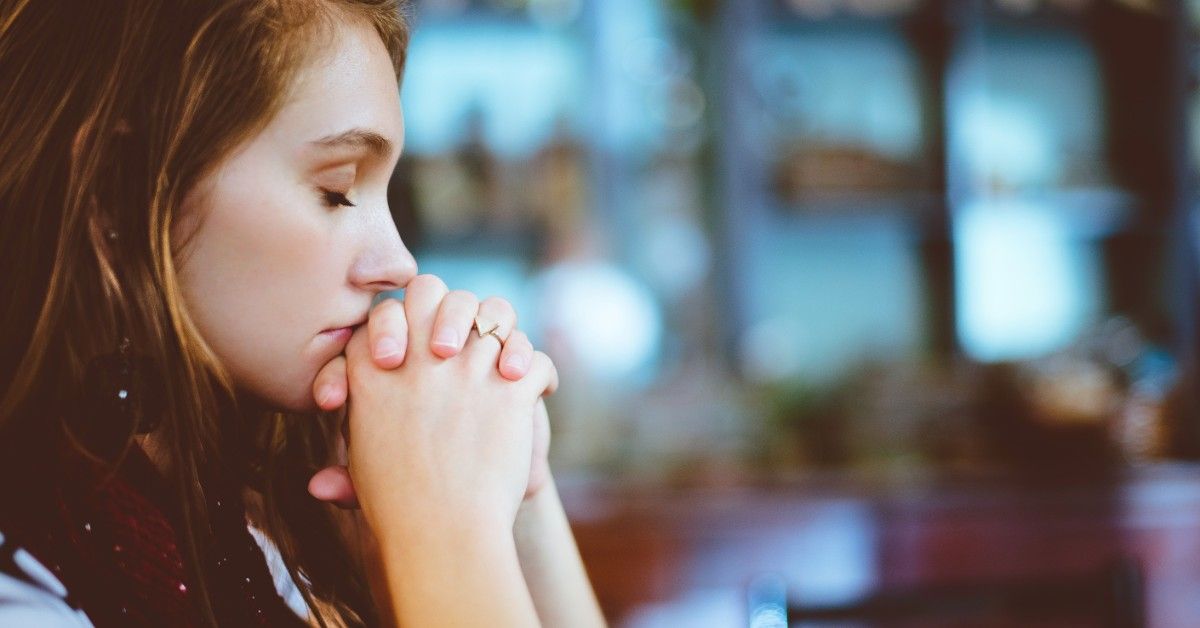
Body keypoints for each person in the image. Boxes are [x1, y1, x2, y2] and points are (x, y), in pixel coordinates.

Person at [0, 0, 605, 626]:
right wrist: (445, 523)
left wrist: (516, 493)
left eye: (386, 192)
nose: (399, 264)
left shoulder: (254, 522)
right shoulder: (26, 584)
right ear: (119, 190)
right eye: (337, 188)